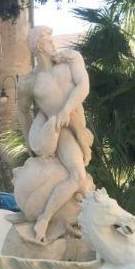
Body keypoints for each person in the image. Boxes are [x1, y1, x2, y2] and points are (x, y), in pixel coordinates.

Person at [16, 26, 96, 242]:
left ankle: (50, 218)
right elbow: (23, 113)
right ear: (37, 46)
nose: (53, 44)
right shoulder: (28, 82)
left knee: (80, 177)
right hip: (54, 130)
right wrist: (28, 145)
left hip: (71, 124)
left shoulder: (71, 59)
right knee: (76, 174)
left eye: (52, 39)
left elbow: (84, 86)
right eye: (48, 40)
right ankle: (44, 219)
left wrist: (65, 110)